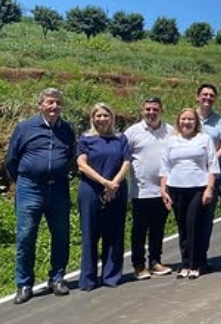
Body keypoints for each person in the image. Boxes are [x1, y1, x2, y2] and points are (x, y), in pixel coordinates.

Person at [6, 88, 76, 304]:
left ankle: (57, 278)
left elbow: (71, 156)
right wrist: (26, 179)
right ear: (40, 105)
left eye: (58, 103)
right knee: (26, 236)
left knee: (61, 235)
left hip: (58, 189)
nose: (54, 107)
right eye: (49, 102)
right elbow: (11, 160)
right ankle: (24, 284)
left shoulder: (67, 129)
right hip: (30, 188)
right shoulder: (25, 128)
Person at [160, 108, 220, 279]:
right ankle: (185, 263)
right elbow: (165, 167)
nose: (187, 122)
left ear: (196, 122)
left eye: (191, 119)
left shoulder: (204, 139)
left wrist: (209, 189)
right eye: (184, 119)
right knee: (182, 226)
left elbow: (213, 165)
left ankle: (195, 264)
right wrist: (164, 190)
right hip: (176, 188)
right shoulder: (171, 141)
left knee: (193, 224)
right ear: (179, 121)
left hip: (198, 187)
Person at [76, 103, 131, 290]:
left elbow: (126, 163)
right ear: (93, 118)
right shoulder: (86, 139)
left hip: (116, 190)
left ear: (112, 117)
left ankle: (111, 276)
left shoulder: (120, 138)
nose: (102, 119)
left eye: (106, 115)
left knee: (114, 234)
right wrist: (104, 183)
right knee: (90, 234)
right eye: (98, 116)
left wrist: (113, 184)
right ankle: (88, 279)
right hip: (90, 191)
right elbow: (82, 164)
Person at [125, 97, 175, 280]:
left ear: (161, 110)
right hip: (141, 190)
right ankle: (138, 265)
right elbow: (123, 159)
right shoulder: (132, 132)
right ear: (142, 110)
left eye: (155, 109)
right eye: (148, 109)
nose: (151, 112)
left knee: (158, 228)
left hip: (163, 189)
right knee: (139, 230)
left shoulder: (171, 131)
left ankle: (155, 261)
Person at [196, 83, 221, 270]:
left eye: (211, 95)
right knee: (189, 218)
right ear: (198, 97)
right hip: (189, 176)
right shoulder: (189, 117)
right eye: (204, 94)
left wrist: (210, 162)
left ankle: (201, 257)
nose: (207, 98)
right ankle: (189, 257)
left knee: (206, 219)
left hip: (211, 176)